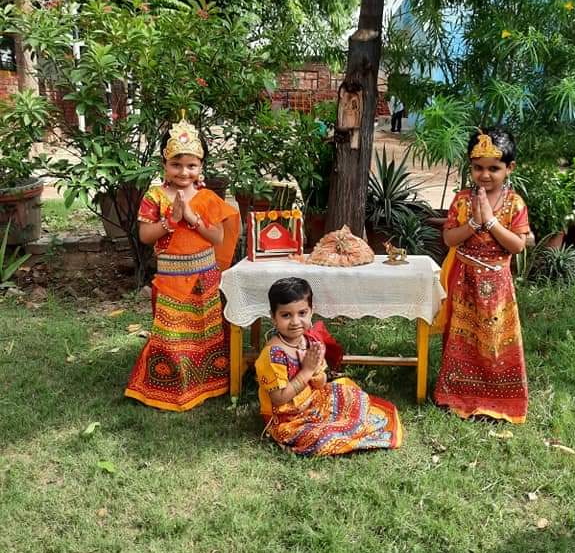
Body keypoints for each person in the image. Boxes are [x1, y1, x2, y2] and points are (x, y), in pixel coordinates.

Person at [125, 117, 239, 411]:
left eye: (191, 165)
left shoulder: (207, 197)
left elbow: (217, 237)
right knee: (171, 335)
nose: (184, 172)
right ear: (164, 164)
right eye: (176, 165)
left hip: (204, 278)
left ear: (201, 166)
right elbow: (145, 235)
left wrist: (192, 218)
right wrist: (171, 221)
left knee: (205, 331)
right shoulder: (155, 196)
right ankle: (169, 386)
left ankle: (208, 384)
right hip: (171, 279)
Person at [434, 128, 530, 423]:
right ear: (470, 167)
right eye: (478, 168)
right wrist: (474, 223)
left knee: (495, 339)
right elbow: (449, 239)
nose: (485, 175)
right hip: (464, 280)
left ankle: (499, 397)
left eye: (494, 168)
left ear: (509, 168)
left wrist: (490, 221)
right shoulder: (462, 200)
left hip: (498, 285)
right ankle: (456, 393)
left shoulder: (515, 203)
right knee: (462, 336)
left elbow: (517, 245)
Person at [255, 277, 403, 455]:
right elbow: (279, 398)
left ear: (311, 312)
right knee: (325, 437)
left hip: (314, 402)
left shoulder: (309, 341)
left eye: (302, 313)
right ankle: (342, 430)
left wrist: (316, 371)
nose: (295, 321)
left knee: (354, 395)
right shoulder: (273, 354)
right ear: (273, 317)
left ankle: (348, 425)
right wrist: (307, 370)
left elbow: (321, 383)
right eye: (286, 315)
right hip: (288, 419)